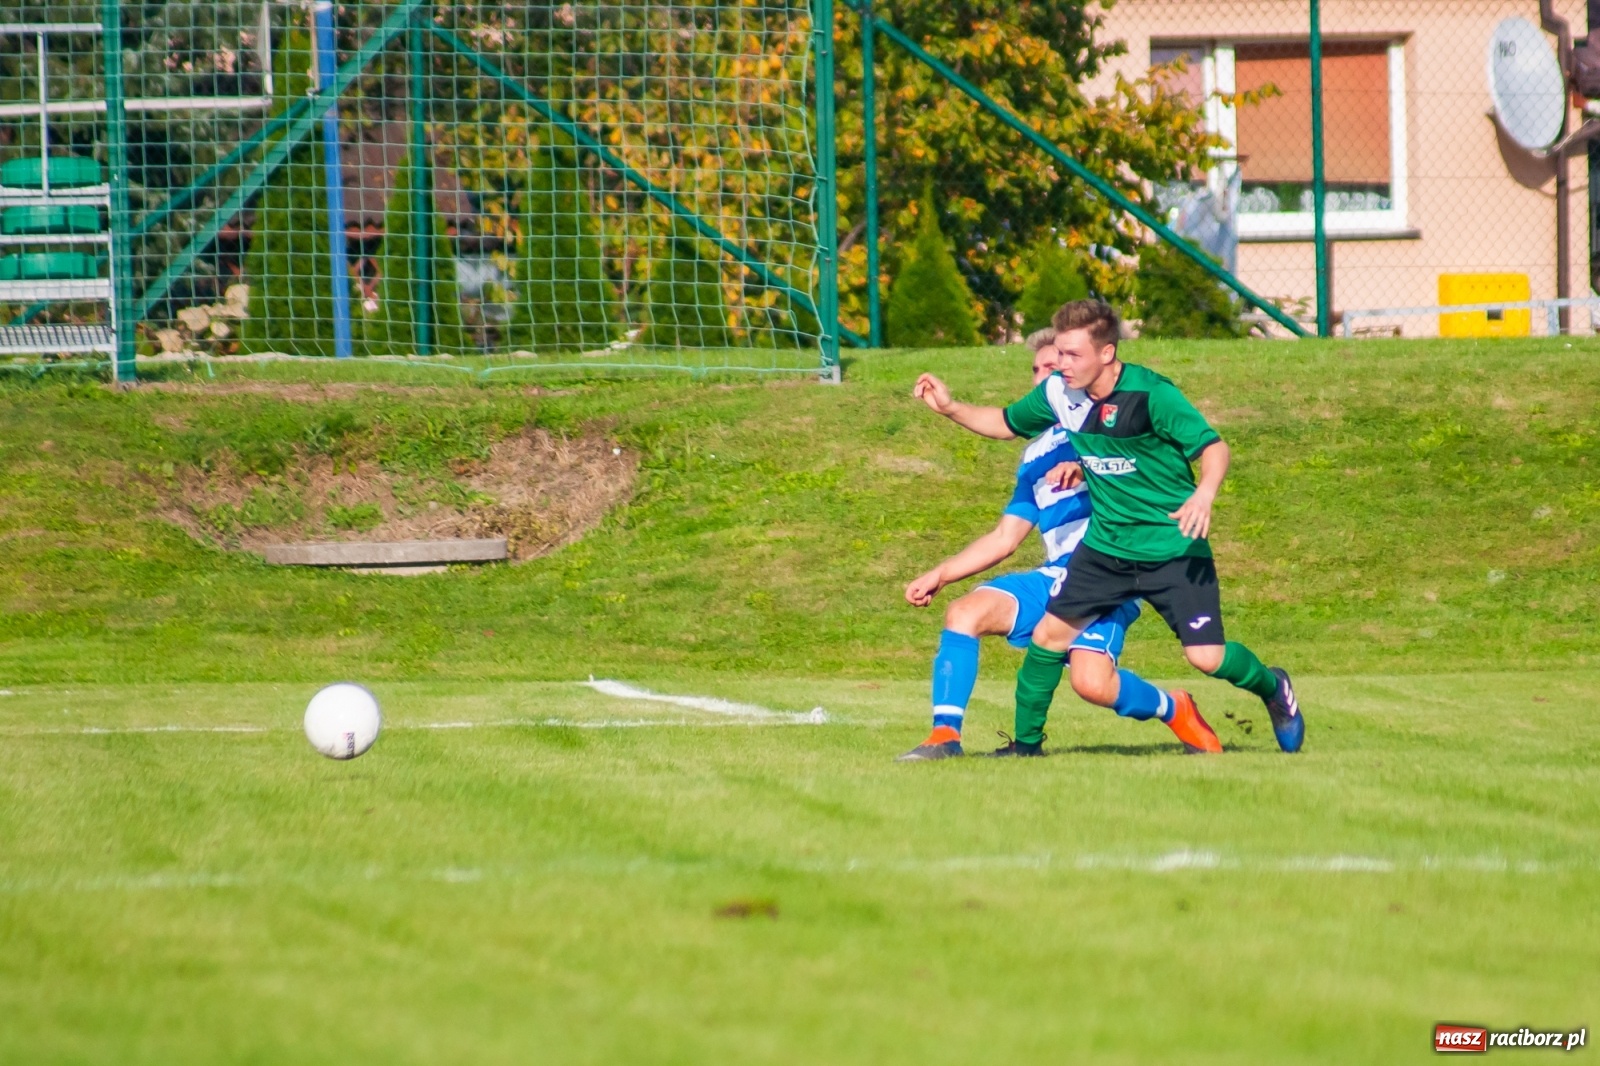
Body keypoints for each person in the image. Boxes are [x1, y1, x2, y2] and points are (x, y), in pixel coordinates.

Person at [912, 298, 1304, 755]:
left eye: (1073, 355)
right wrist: (951, 408)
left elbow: (1213, 447)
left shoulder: (1152, 394)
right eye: (1059, 353)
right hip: (1107, 551)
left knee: (1207, 658)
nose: (1062, 364)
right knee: (1047, 639)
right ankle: (1026, 747)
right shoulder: (1059, 393)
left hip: (1171, 546)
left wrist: (1204, 493)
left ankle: (1273, 687)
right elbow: (1004, 422)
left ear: (1107, 353)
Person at [898, 328, 1141, 760]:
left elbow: (1144, 467)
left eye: (1054, 366)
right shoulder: (1035, 455)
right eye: (1037, 369)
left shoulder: (1107, 422)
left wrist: (1086, 466)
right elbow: (1005, 537)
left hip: (1106, 576)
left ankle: (1176, 709)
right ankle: (945, 737)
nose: (1044, 376)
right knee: (965, 612)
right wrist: (941, 574)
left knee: (1092, 685)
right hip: (1056, 576)